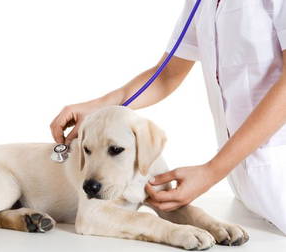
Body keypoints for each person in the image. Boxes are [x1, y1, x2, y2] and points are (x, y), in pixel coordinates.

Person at [50, 0, 286, 234]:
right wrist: (98, 108)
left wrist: (212, 171)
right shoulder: (200, 3)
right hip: (249, 190)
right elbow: (166, 76)